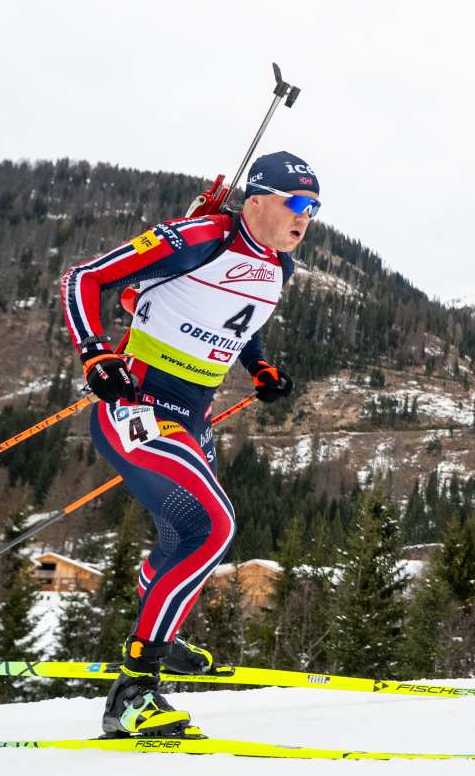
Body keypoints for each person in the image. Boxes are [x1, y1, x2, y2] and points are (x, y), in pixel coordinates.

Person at [59, 151, 319, 737]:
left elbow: (241, 321)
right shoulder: (200, 236)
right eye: (296, 203)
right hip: (138, 404)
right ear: (255, 202)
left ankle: (162, 639)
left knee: (182, 535)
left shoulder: (281, 268)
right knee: (213, 526)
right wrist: (95, 352)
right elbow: (84, 277)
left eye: (314, 208)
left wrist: (259, 367)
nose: (306, 217)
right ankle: (132, 692)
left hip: (192, 417)